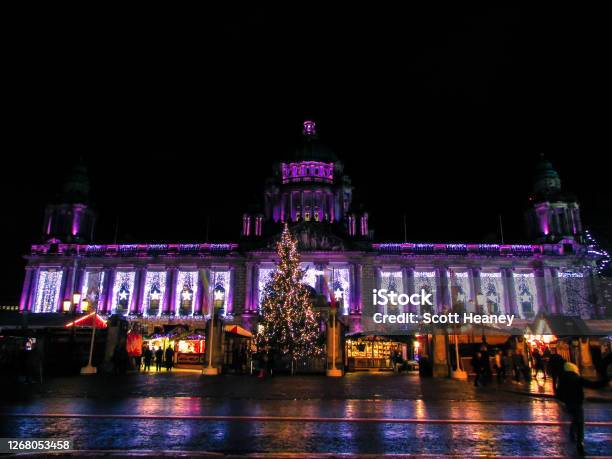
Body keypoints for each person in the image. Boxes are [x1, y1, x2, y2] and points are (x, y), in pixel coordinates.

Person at [556, 361, 609, 455]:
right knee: (580, 423)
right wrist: (606, 381)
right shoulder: (577, 378)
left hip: (568, 404)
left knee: (574, 418)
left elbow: (558, 394)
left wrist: (562, 402)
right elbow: (593, 385)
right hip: (577, 403)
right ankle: (579, 442)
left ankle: (572, 434)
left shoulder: (562, 379)